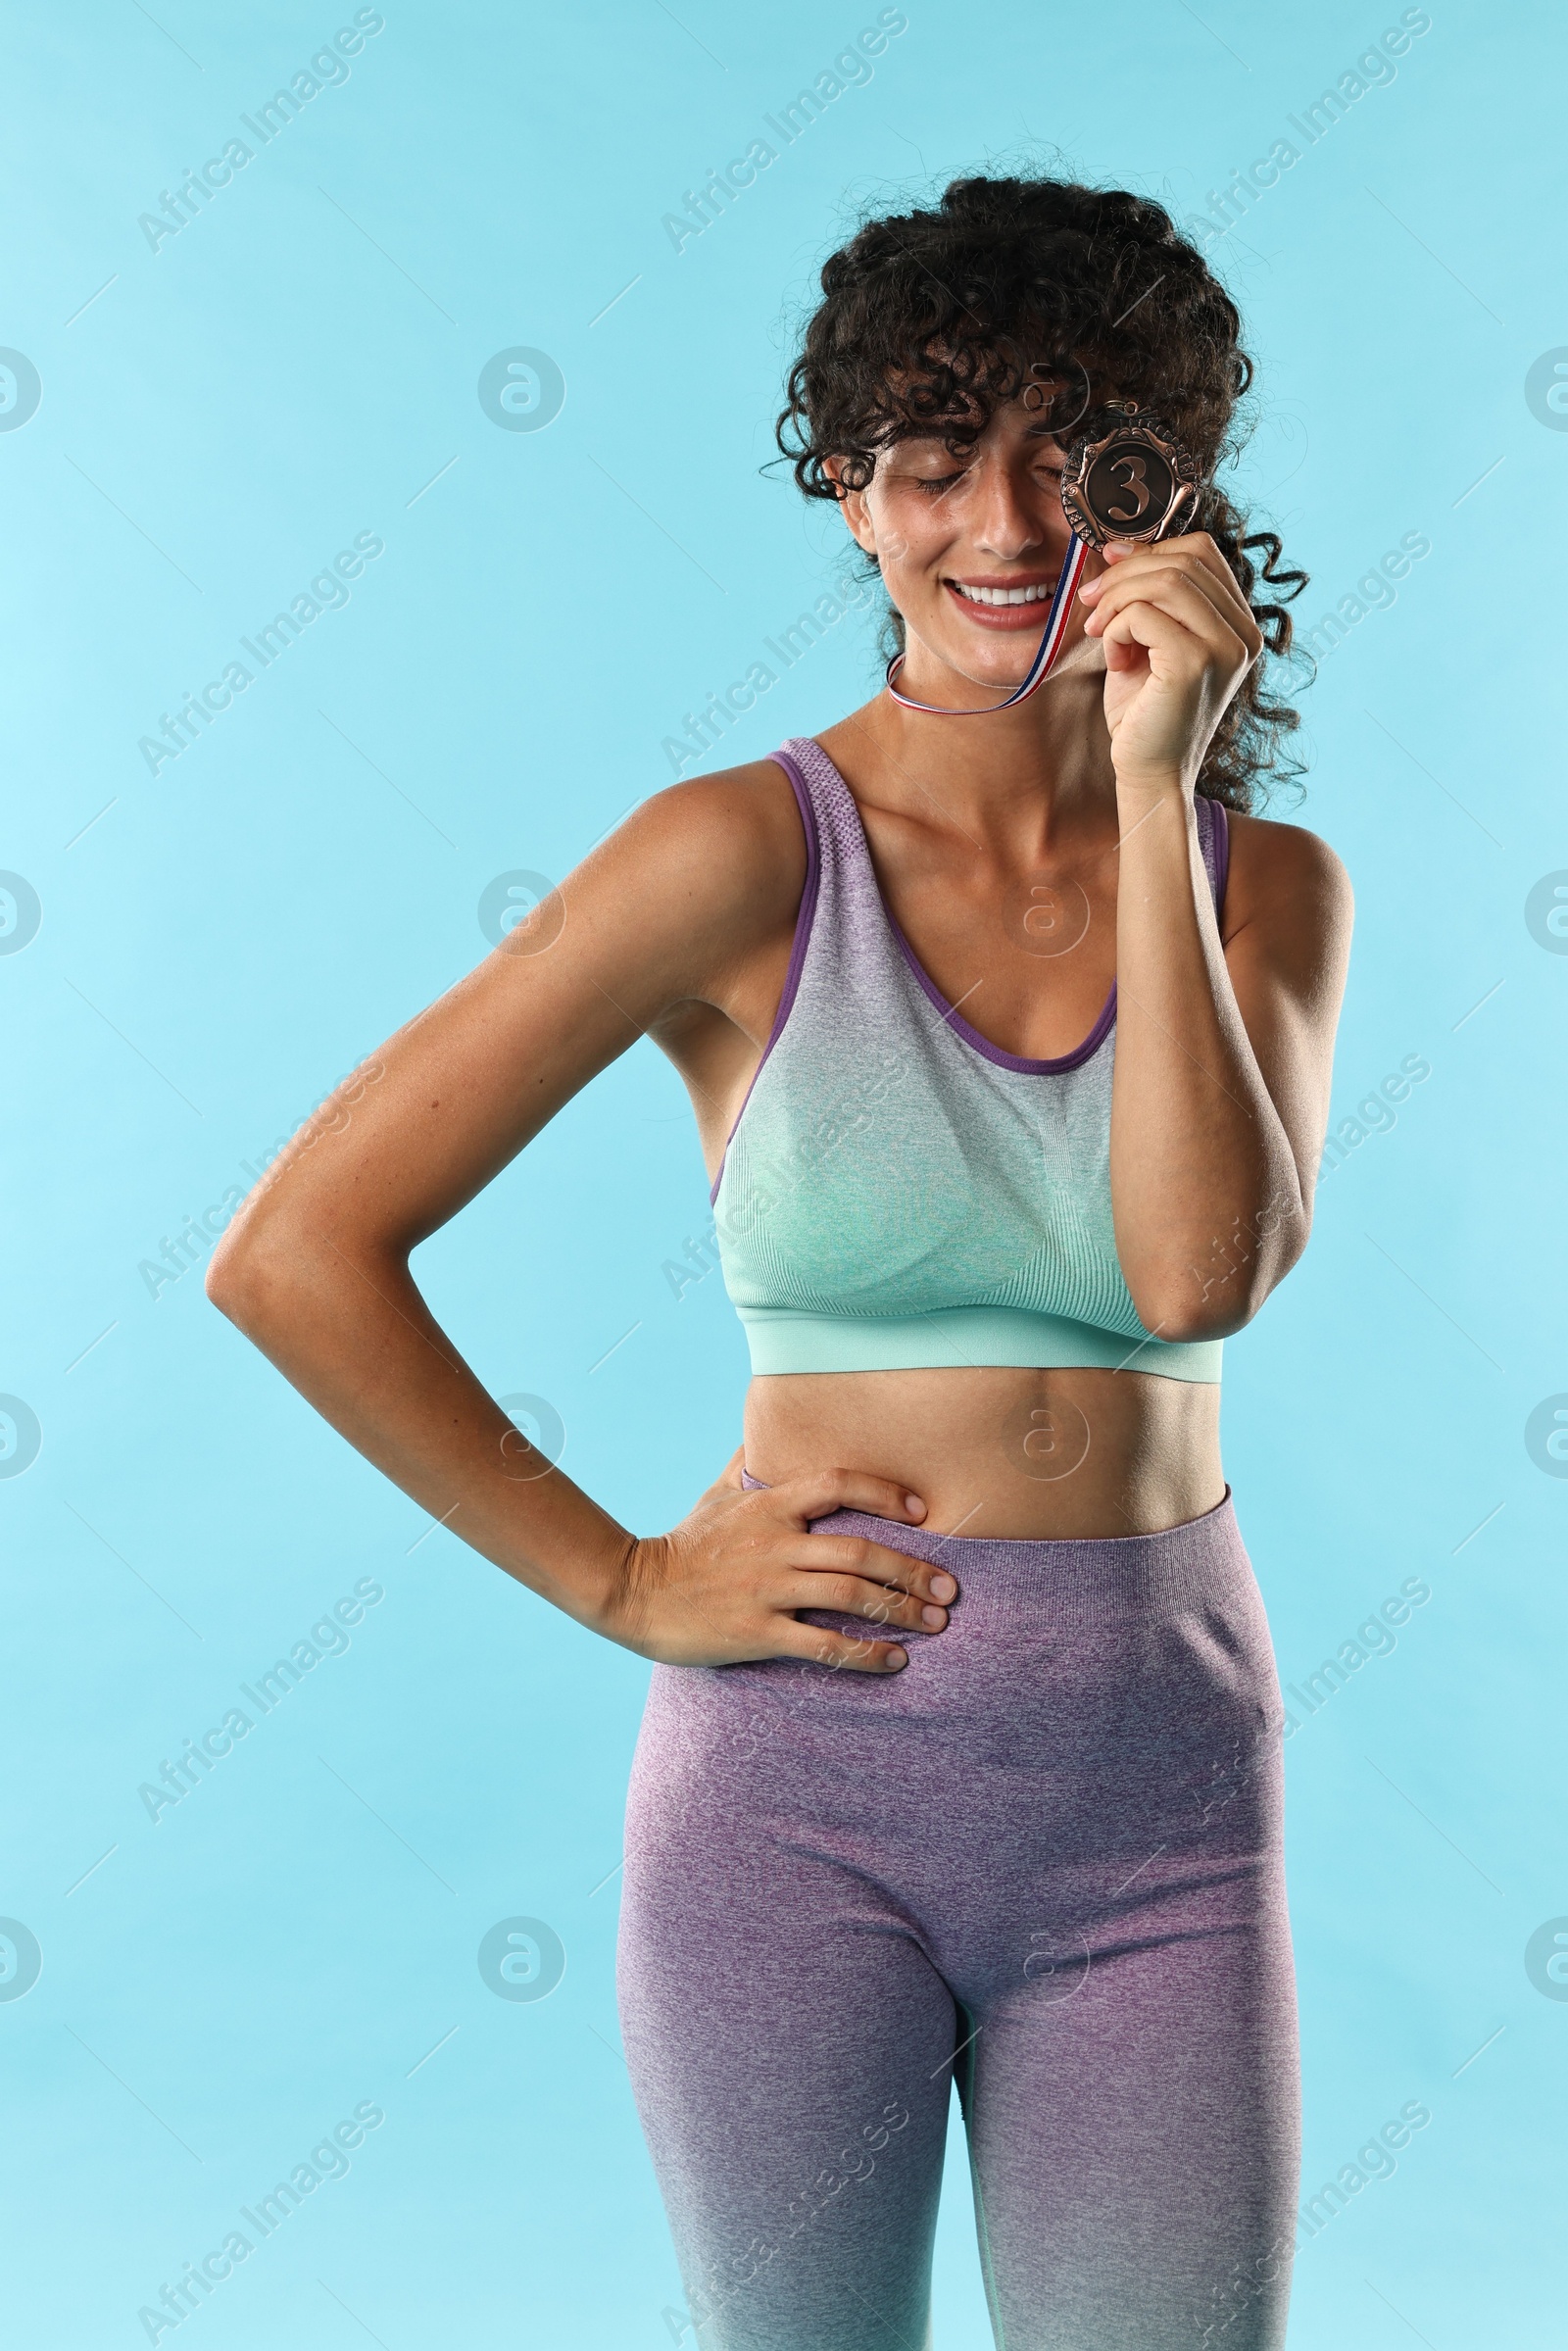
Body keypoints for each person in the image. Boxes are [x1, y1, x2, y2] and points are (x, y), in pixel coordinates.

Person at [207, 173, 1352, 2351]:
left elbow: (1192, 1274)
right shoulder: (737, 855)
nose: (1000, 524)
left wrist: (1143, 783)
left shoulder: (1260, 888)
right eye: (930, 460)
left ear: (1167, 485)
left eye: (1064, 450)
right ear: (849, 497)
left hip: (1159, 1799)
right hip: (796, 1801)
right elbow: (294, 1253)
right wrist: (624, 1582)